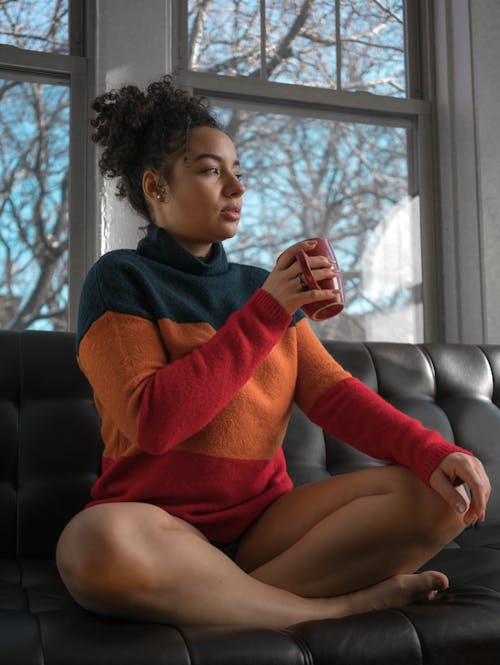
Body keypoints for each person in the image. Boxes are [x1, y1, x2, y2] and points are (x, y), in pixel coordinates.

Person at [56, 76, 491, 630]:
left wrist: (434, 451)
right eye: (212, 170)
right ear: (156, 188)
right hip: (159, 529)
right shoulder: (119, 280)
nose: (236, 188)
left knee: (443, 493)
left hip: (269, 530)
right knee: (91, 544)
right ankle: (336, 606)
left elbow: (338, 398)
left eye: (240, 173)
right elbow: (155, 422)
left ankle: (218, 601)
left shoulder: (262, 286)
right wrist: (266, 312)